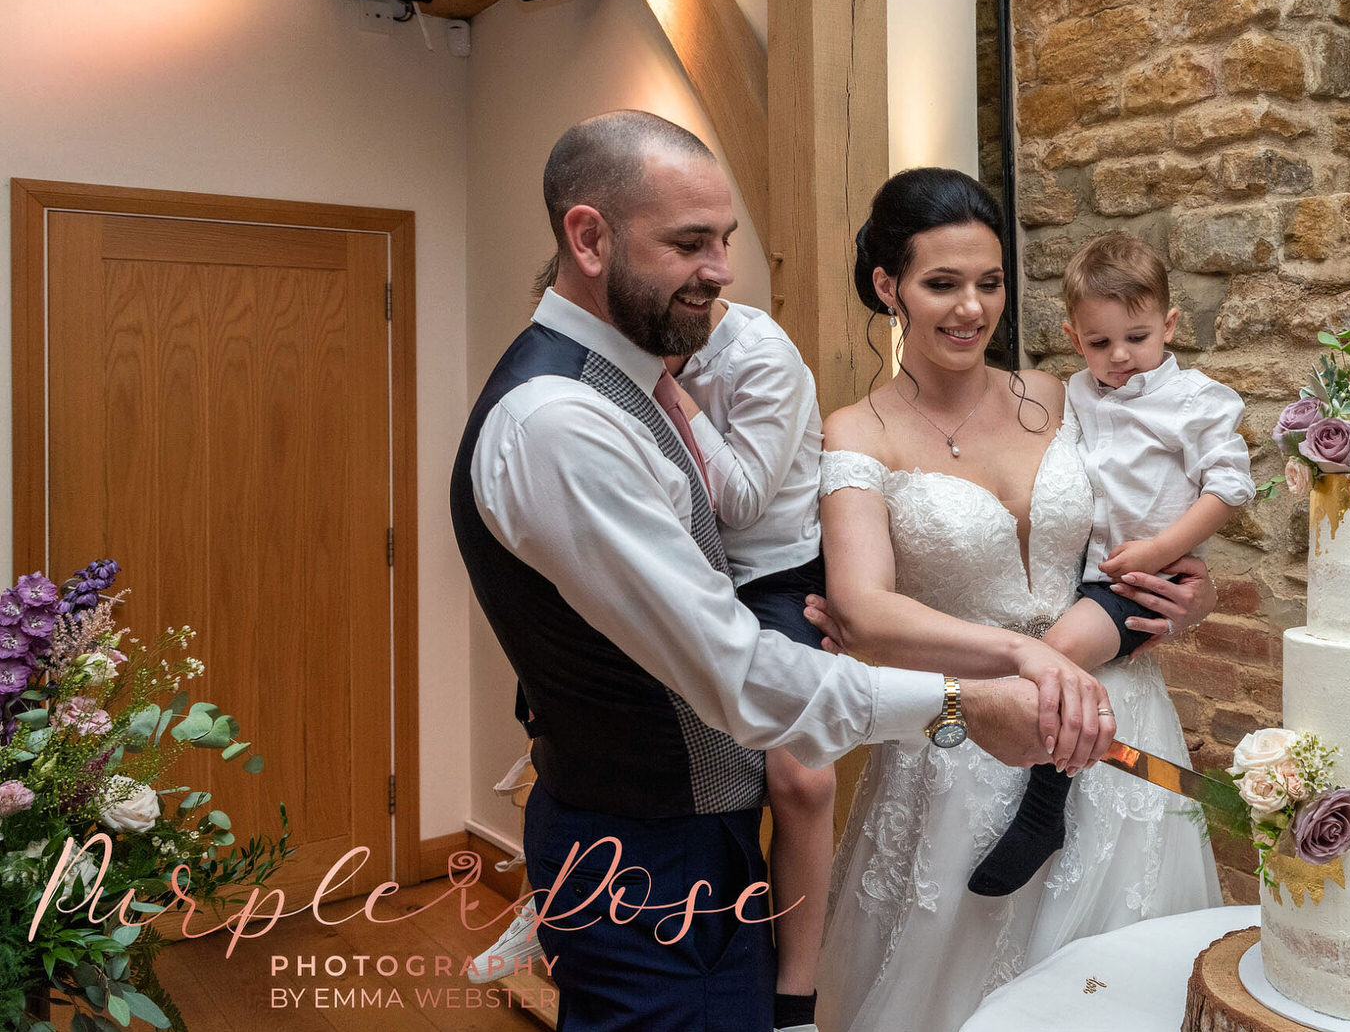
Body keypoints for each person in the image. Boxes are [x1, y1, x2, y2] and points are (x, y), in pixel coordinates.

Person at [450, 113, 1090, 1032]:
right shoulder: (561, 422)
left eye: (725, 241)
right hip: (641, 853)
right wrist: (962, 707)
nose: (720, 270)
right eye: (688, 243)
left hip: (694, 837)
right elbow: (740, 674)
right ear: (587, 238)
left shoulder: (628, 384)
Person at [805, 168, 1224, 1032]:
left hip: (1118, 720)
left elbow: (1149, 514)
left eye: (989, 283)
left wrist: (1191, 590)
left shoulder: (1060, 394)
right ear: (889, 287)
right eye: (942, 284)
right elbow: (862, 606)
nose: (970, 309)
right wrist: (1024, 657)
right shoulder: (858, 431)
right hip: (965, 736)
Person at [968, 231, 1253, 896]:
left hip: (1142, 580)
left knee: (1057, 651)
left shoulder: (1197, 401)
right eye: (1100, 343)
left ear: (1170, 325)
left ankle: (1043, 812)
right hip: (1086, 574)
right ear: (1074, 337)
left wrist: (1161, 551)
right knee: (1052, 643)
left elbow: (1230, 488)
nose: (1120, 357)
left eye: (1137, 337)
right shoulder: (1077, 393)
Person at [658, 301, 835, 1032]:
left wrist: (667, 391)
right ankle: (550, 905)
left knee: (800, 777)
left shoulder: (761, 357)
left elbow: (740, 500)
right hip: (692, 571)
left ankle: (796, 1002)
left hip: (776, 577)